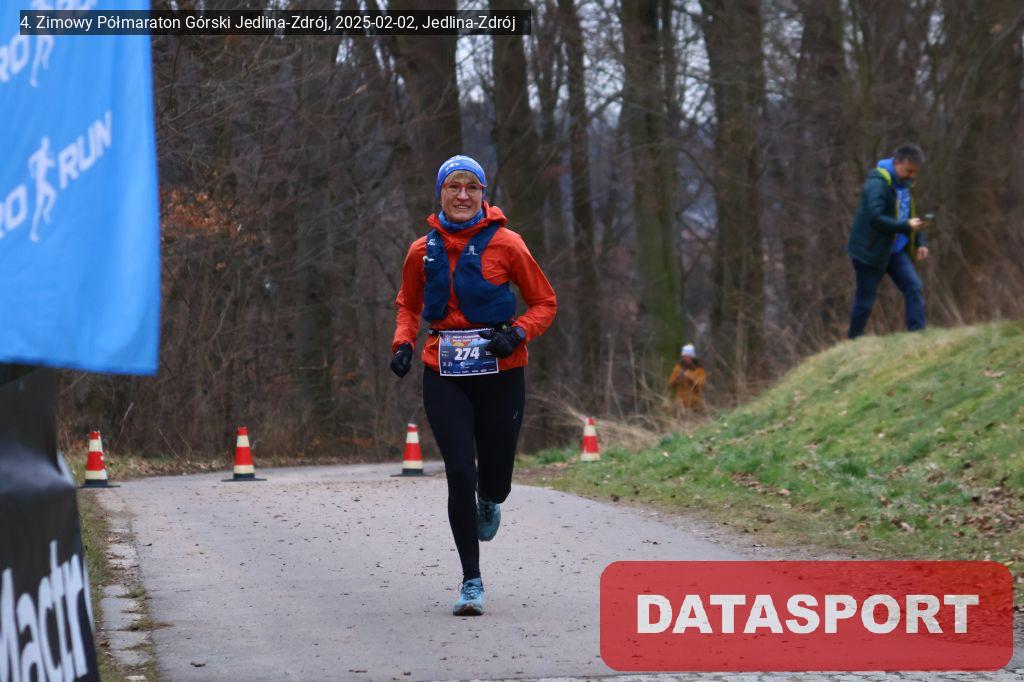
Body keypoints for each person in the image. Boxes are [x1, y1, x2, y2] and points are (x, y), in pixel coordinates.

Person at [389, 154, 557, 616]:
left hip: (501, 373)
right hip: (444, 372)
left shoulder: (508, 244)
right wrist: (403, 344)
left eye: (472, 188)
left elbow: (545, 302)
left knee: (495, 478)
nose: (462, 195)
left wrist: (516, 333)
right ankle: (471, 580)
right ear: (440, 192)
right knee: (460, 471)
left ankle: (491, 498)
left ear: (483, 194)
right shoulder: (420, 250)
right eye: (454, 187)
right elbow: (408, 305)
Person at [846, 143, 930, 339]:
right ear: (898, 162)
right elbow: (876, 219)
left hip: (895, 251)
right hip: (870, 252)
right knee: (865, 301)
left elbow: (910, 214)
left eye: (915, 172)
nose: (912, 176)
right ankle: (853, 341)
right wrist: (906, 226)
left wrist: (920, 242)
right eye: (909, 171)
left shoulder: (906, 184)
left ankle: (917, 337)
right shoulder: (877, 184)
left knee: (914, 287)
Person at [668, 344, 706, 413]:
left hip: (695, 404)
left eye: (687, 357)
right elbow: (671, 384)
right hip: (680, 404)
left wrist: (689, 377)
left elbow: (701, 384)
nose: (684, 359)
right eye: (683, 357)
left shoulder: (700, 370)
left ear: (692, 357)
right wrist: (677, 379)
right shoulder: (678, 368)